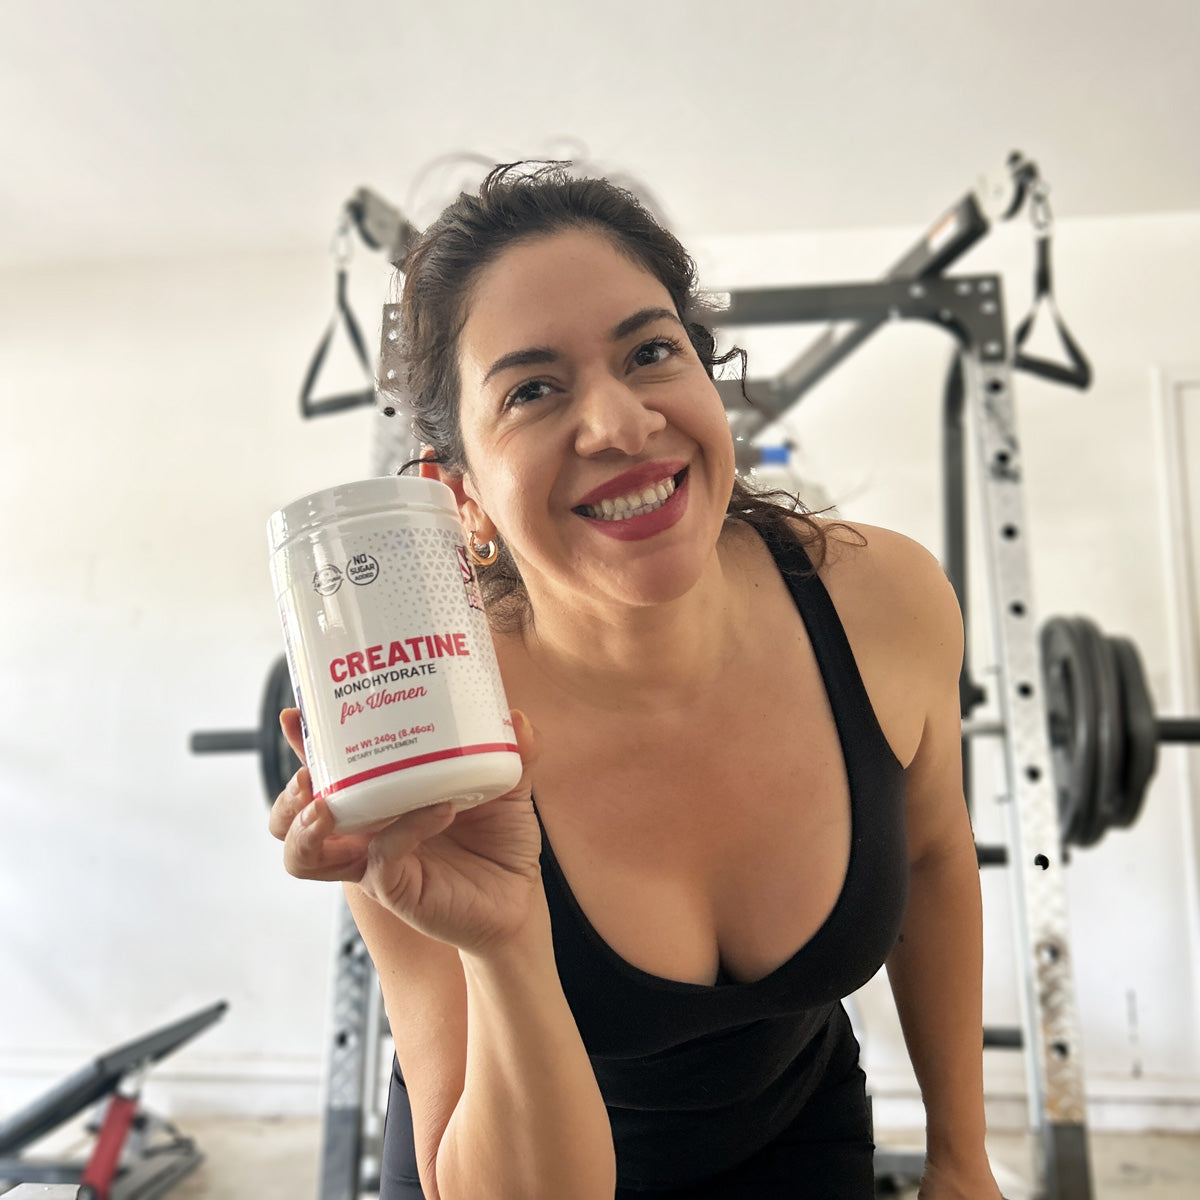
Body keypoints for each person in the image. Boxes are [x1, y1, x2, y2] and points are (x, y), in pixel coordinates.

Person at [269, 162, 1005, 1200]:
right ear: (460, 496)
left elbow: (933, 858)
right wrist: (509, 942)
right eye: (532, 389)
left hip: (797, 1135)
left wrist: (962, 1161)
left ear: (708, 380)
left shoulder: (884, 601)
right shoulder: (425, 744)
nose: (619, 424)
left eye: (650, 352)